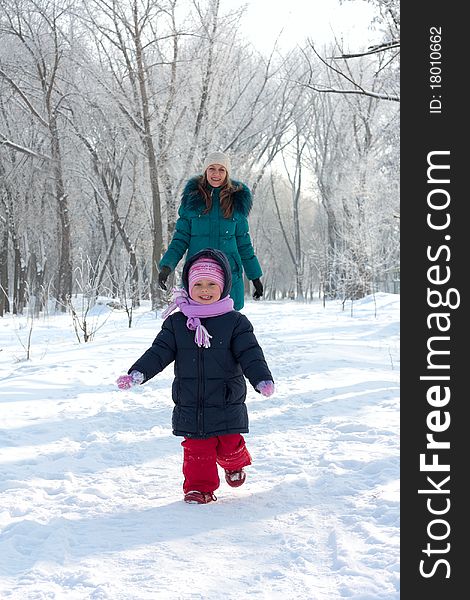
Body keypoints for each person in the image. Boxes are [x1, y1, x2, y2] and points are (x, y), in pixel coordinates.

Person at [117, 248, 274, 504]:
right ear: (188, 287)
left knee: (229, 444)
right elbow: (158, 353)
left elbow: (250, 354)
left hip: (226, 401)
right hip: (191, 402)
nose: (204, 289)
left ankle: (234, 464)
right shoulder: (178, 323)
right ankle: (199, 489)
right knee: (196, 450)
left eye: (211, 284)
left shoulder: (235, 322)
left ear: (223, 287)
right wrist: (137, 373)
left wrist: (261, 379)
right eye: (198, 284)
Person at [158, 151, 264, 310]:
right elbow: (180, 239)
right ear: (205, 171)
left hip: (228, 273)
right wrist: (167, 267)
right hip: (199, 274)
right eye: (212, 169)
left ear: (227, 173)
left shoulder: (236, 202)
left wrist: (255, 277)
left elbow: (244, 244)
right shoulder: (192, 201)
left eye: (221, 170)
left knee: (227, 326)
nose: (216, 174)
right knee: (197, 321)